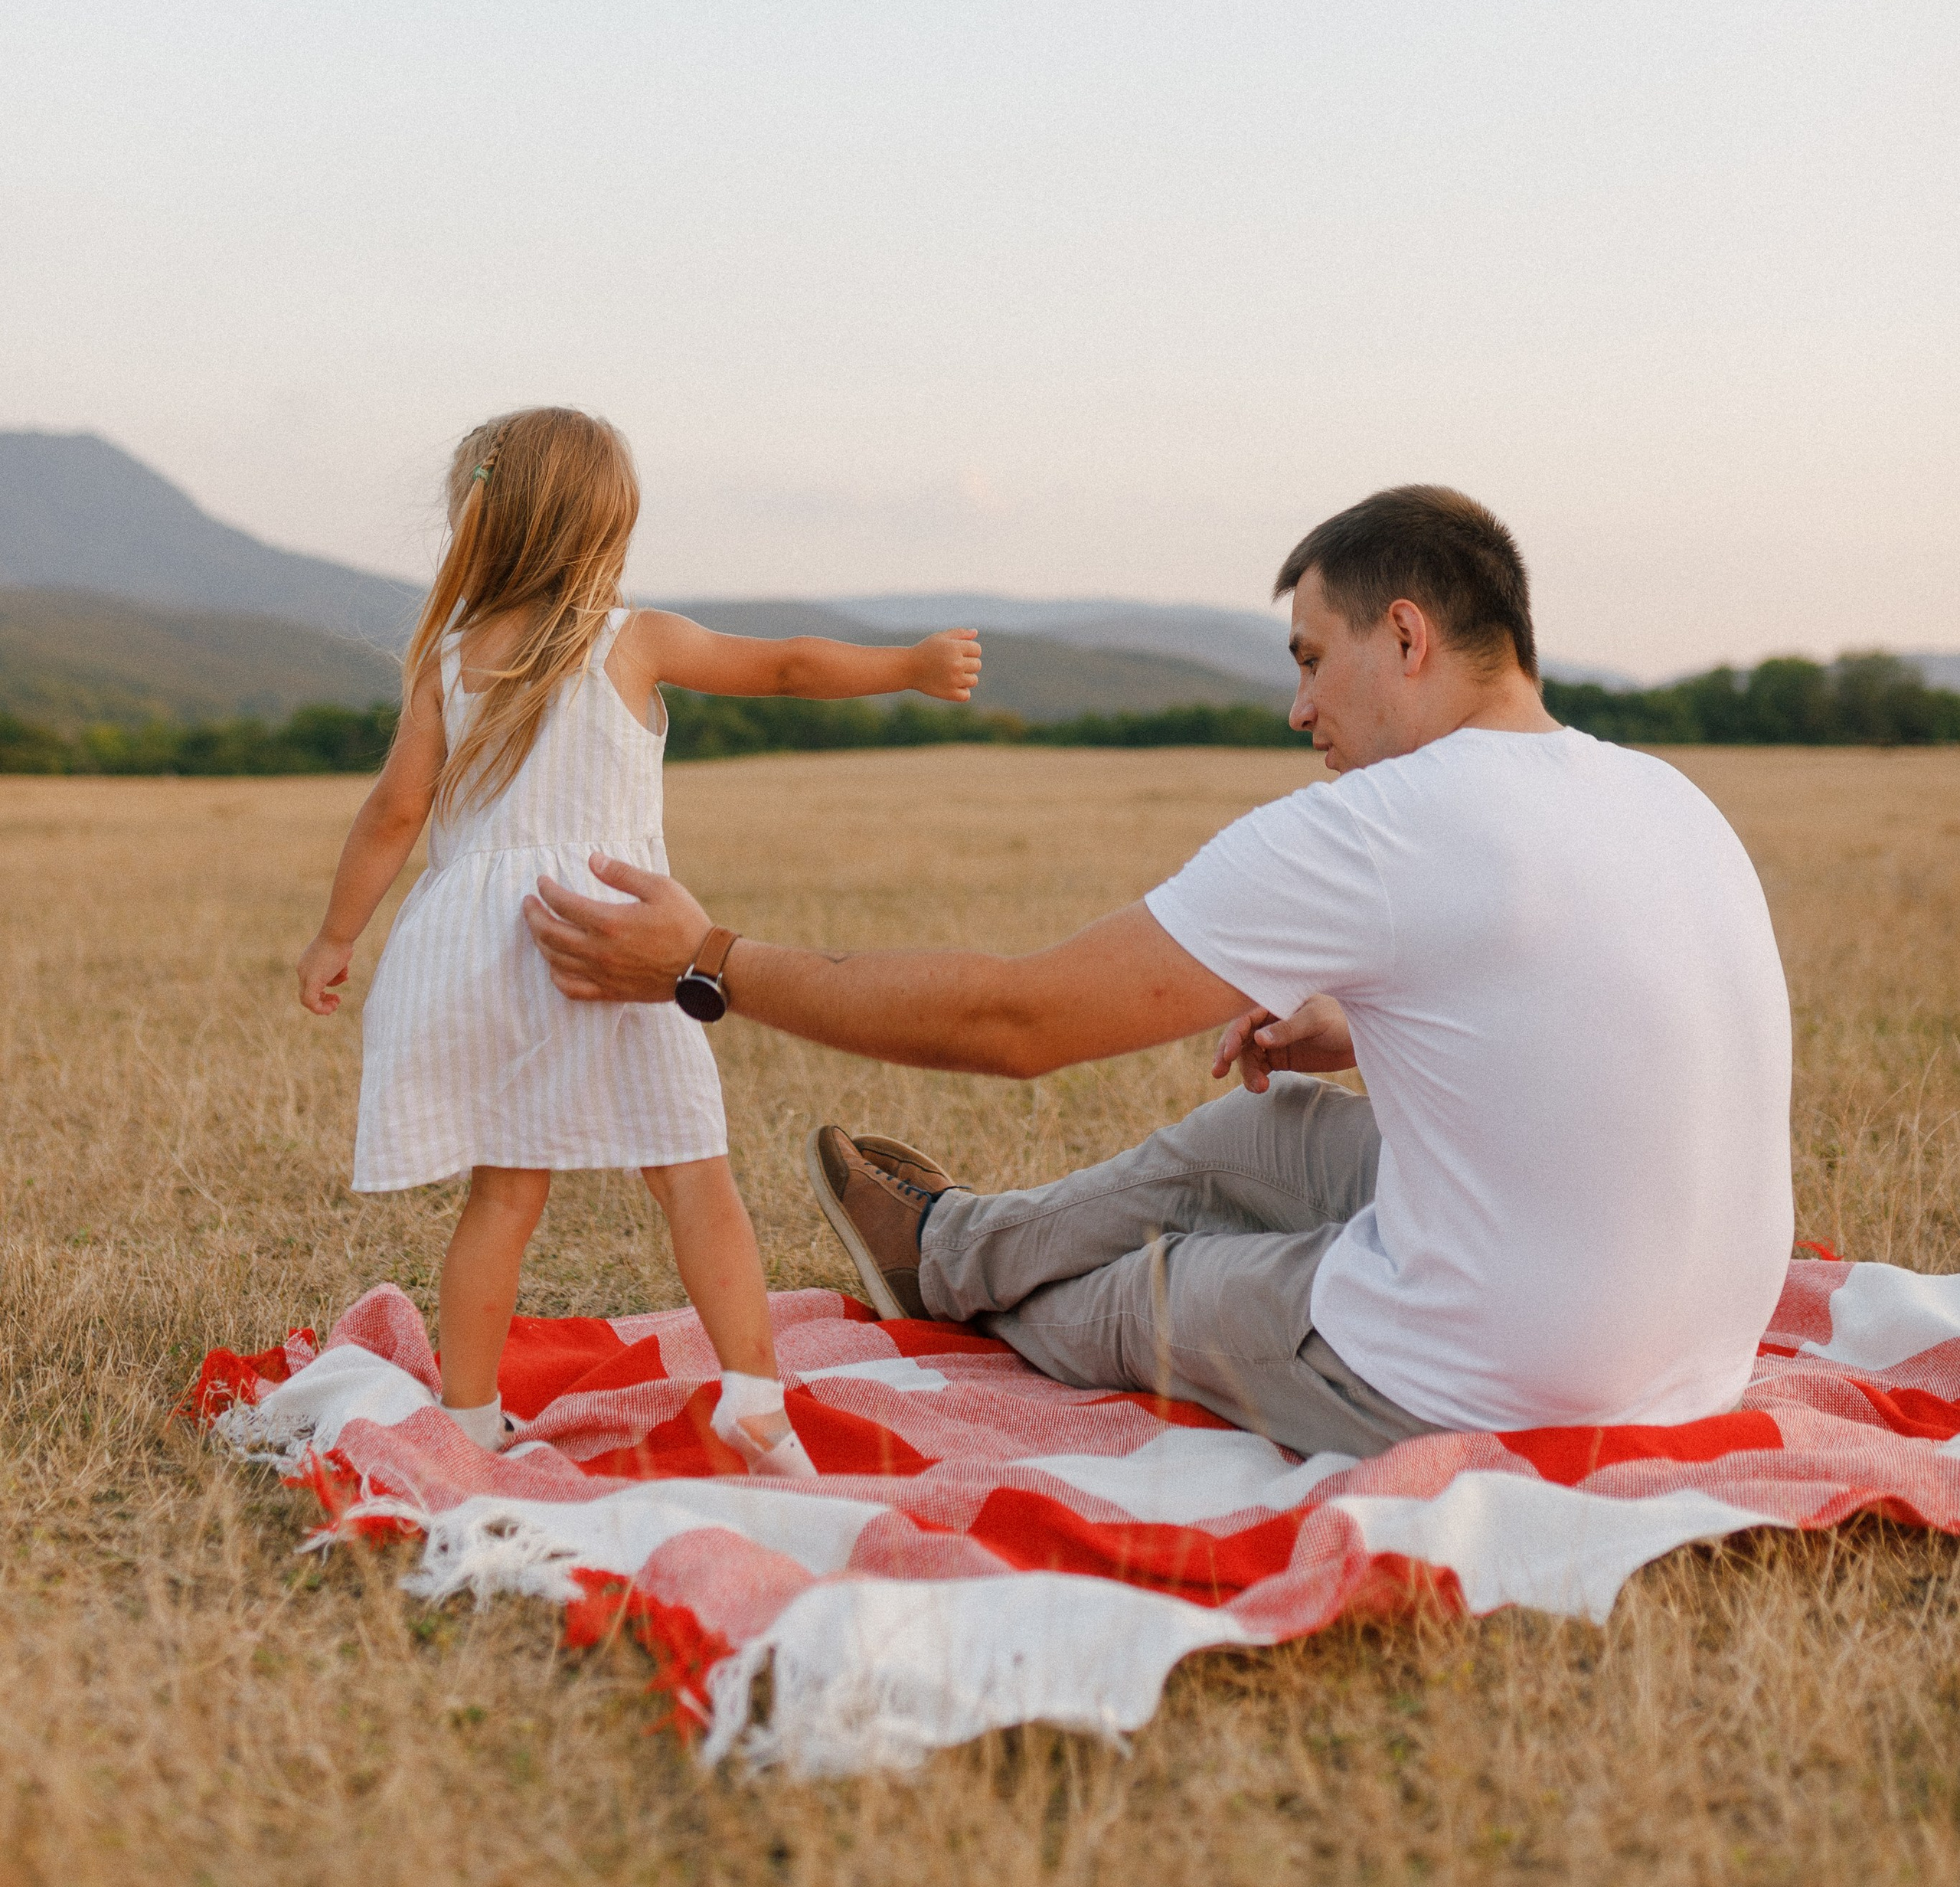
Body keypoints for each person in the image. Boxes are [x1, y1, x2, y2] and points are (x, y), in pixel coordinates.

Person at [521, 485, 1795, 1460]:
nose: (1299, 710)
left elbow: (1017, 1020)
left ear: (1405, 635)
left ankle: (980, 1295)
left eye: (1309, 657)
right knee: (1261, 1129)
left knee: (1146, 1298)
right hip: (1697, 1345)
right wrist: (1351, 1024)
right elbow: (1593, 1002)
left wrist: (708, 959)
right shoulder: (1657, 789)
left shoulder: (1388, 819)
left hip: (1506, 1372)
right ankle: (948, 1245)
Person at [296, 404, 982, 1469]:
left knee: (504, 1194)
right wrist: (910, 665)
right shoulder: (635, 639)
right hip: (619, 939)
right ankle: (754, 1398)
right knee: (694, 1178)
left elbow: (394, 809)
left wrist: (338, 934)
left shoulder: (450, 657)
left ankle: (471, 1413)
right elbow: (793, 666)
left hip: (492, 950)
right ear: (605, 526)